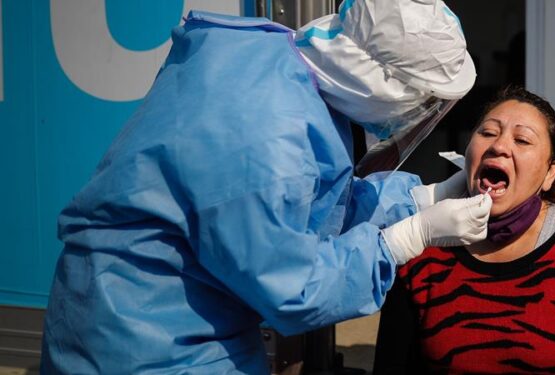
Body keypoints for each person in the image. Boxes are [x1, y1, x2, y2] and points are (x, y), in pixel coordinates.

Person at [40, 1, 492, 374]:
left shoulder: (269, 62)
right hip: (149, 343)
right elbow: (293, 290)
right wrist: (405, 240)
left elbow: (312, 209)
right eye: (421, 102)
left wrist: (417, 200)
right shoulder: (267, 143)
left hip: (133, 308)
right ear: (383, 86)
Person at [373, 86, 555, 374]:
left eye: (522, 140)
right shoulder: (424, 245)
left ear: (551, 172)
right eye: (488, 133)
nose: (499, 146)